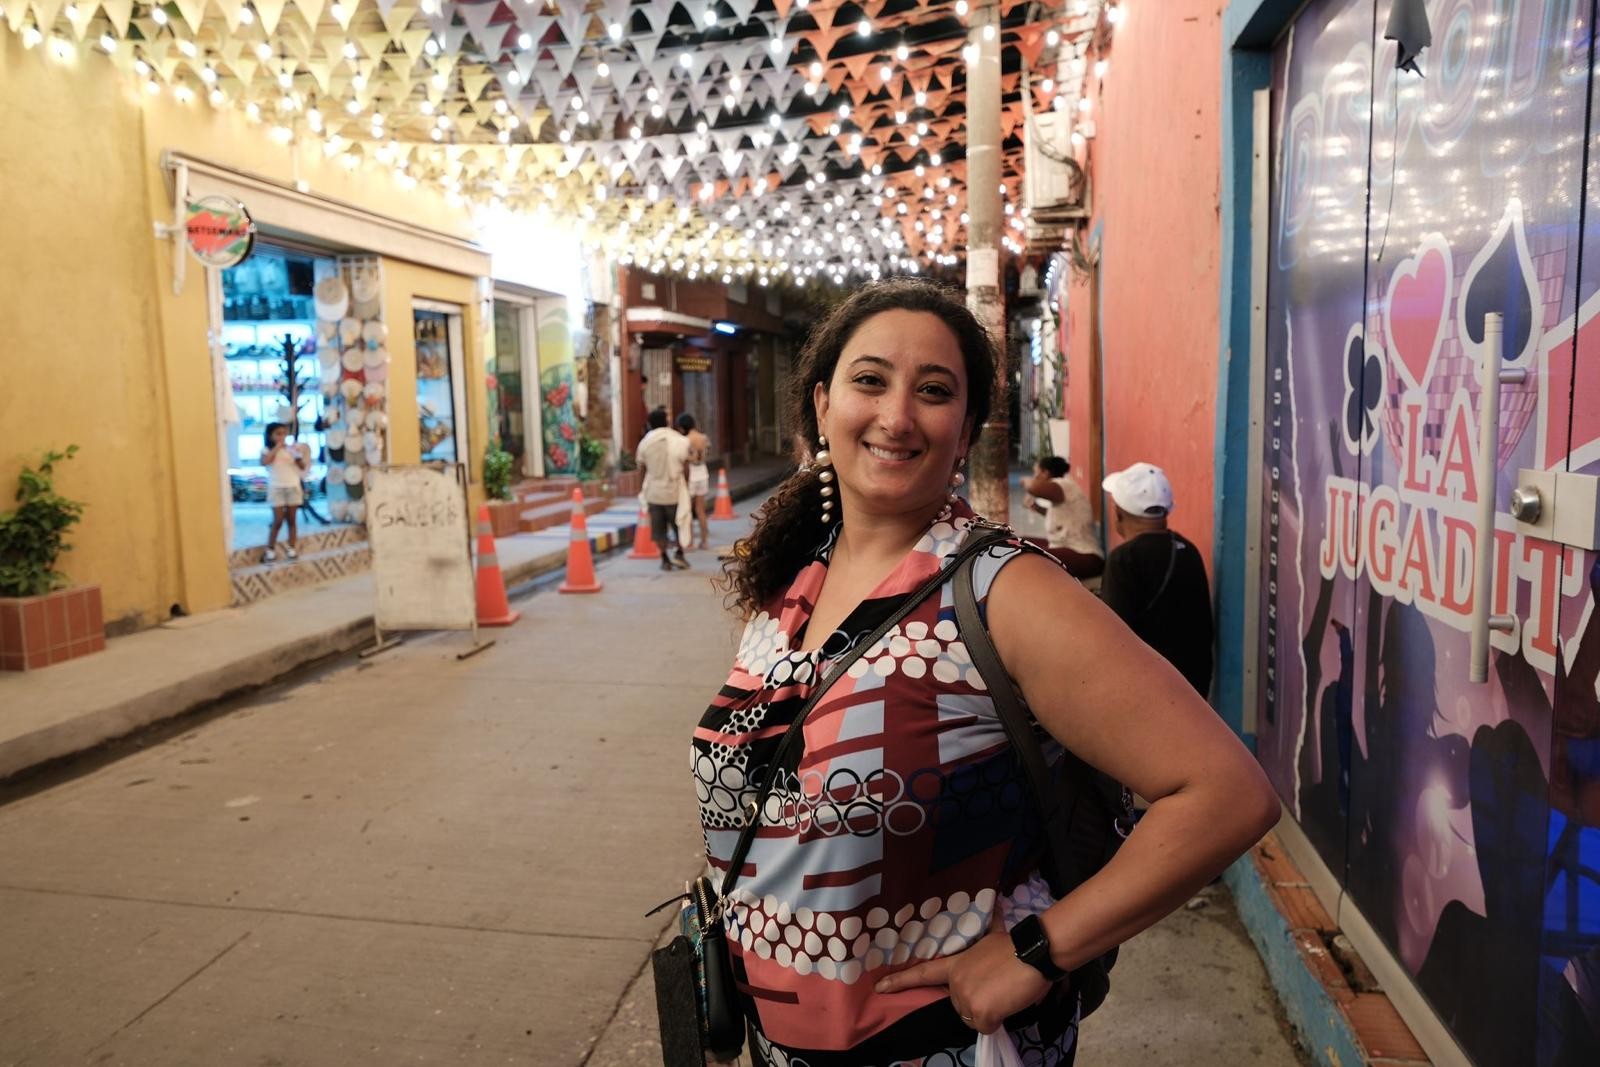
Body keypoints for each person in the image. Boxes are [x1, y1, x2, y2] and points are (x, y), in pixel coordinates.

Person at [694, 279, 1278, 1064]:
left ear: (964, 430)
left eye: (933, 392)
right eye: (870, 380)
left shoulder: (1002, 590)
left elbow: (1227, 793)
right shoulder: (790, 581)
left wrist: (1039, 950)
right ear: (823, 404)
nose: (897, 416)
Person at [1099, 462, 1215, 696]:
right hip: (1193, 689)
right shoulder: (1188, 550)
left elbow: (1114, 639)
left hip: (1148, 692)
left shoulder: (1123, 560)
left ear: (1118, 513)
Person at [1022, 455, 1104, 579]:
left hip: (1085, 554)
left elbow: (1033, 487)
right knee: (1019, 543)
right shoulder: (1060, 491)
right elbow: (1063, 517)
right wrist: (1038, 509)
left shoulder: (1064, 485)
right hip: (1065, 547)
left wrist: (1023, 480)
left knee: (1028, 557)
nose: (1035, 477)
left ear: (1045, 473)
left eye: (1036, 473)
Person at [636, 406, 690, 571]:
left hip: (654, 493)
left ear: (650, 424)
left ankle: (664, 559)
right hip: (674, 491)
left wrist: (642, 489)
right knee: (679, 525)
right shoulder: (679, 440)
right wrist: (686, 486)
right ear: (667, 422)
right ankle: (679, 554)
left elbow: (642, 469)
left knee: (658, 530)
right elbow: (686, 466)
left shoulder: (645, 443)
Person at [261, 422, 309, 563]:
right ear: (271, 436)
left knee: (292, 519)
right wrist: (277, 448)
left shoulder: (292, 449)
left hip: (292, 486)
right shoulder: (266, 450)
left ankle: (291, 548)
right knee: (278, 520)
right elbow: (265, 462)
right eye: (278, 434)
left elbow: (302, 466)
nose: (282, 436)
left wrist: (296, 455)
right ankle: (270, 549)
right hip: (276, 487)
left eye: (284, 433)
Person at [677, 411, 712, 550]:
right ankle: (704, 541)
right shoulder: (703, 438)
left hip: (690, 474)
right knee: (701, 510)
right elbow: (706, 454)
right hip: (703, 473)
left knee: (688, 509)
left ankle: (689, 542)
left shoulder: (685, 440)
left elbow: (685, 459)